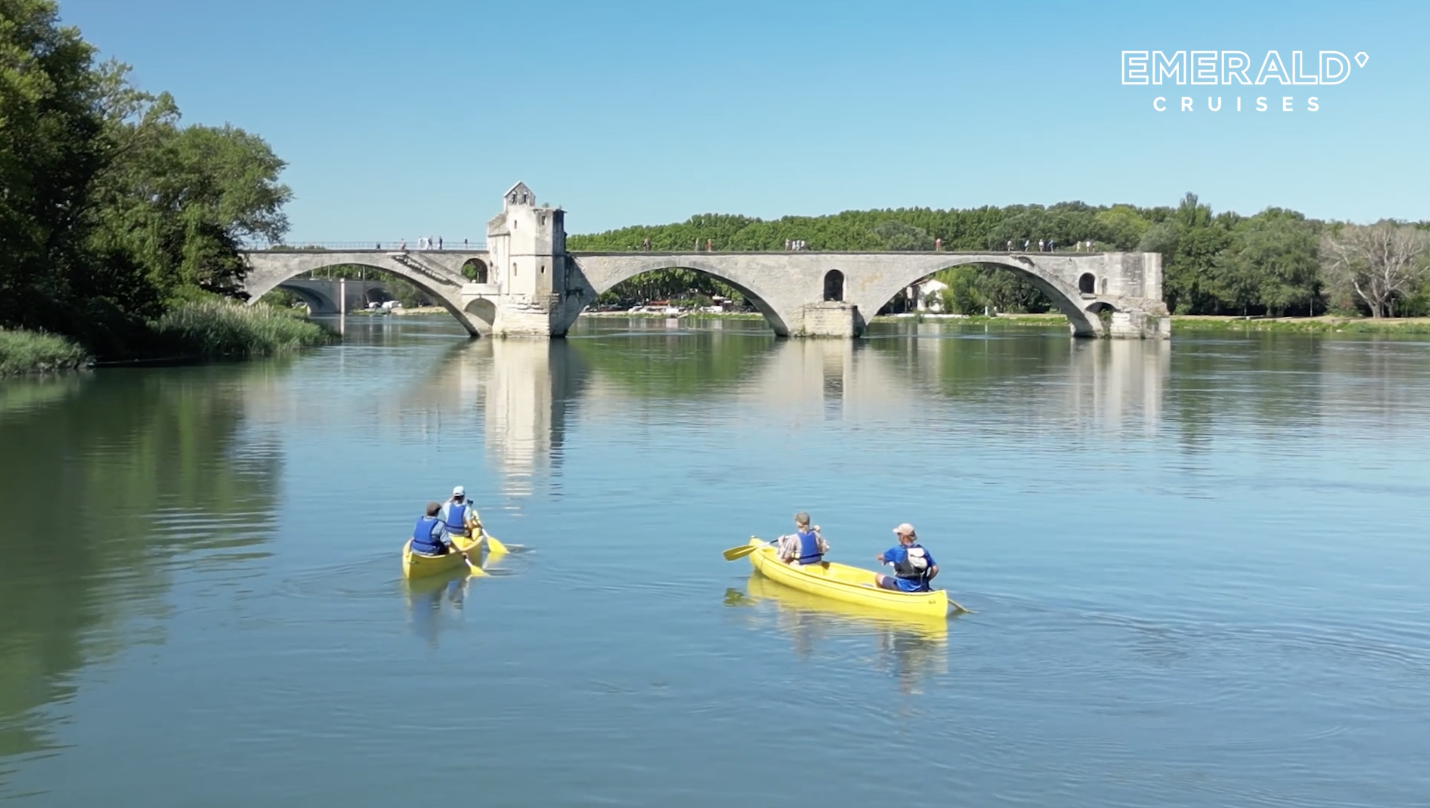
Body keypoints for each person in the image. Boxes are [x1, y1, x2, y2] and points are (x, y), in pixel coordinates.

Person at [874, 523, 938, 592]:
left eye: (898, 534)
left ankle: (886, 597)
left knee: (878, 576)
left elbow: (880, 557)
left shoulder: (896, 550)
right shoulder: (923, 550)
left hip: (903, 589)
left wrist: (881, 557)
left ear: (903, 536)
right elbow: (935, 569)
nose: (897, 536)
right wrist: (927, 580)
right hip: (922, 588)